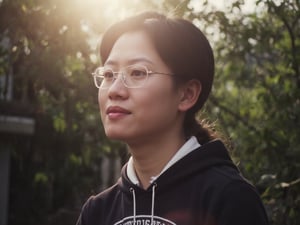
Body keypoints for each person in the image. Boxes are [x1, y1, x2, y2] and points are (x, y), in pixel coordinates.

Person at [76, 11, 269, 225]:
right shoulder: (98, 211)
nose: (114, 90)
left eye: (138, 72)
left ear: (186, 94)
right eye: (109, 75)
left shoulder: (229, 199)